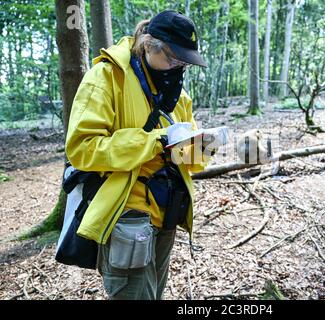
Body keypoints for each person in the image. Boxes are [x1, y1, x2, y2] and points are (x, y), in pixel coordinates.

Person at [65, 10, 214, 300]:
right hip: (127, 218)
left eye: (184, 62)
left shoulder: (177, 93)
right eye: (173, 58)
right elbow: (83, 148)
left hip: (167, 216)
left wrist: (202, 146)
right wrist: (154, 142)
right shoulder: (106, 78)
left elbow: (190, 161)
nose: (179, 67)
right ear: (148, 44)